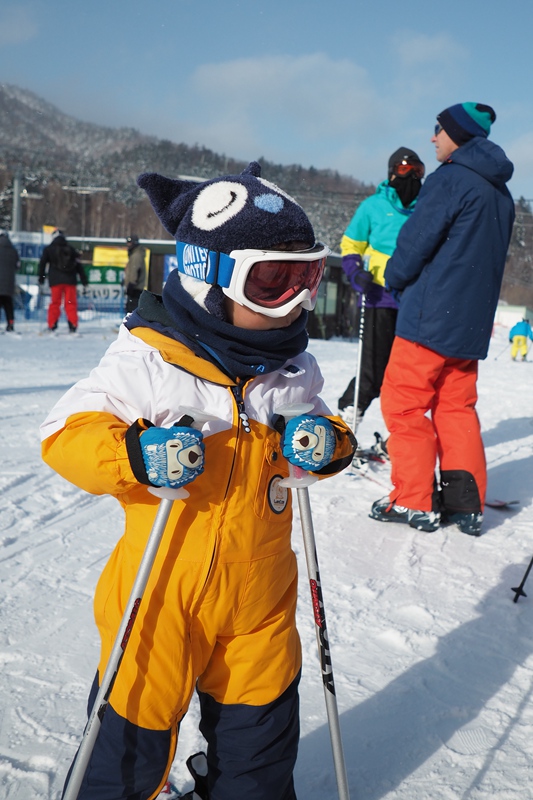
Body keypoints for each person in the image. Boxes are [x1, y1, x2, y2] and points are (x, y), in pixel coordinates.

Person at [40, 162, 356, 800]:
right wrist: (136, 454)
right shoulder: (149, 360)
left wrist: (326, 444)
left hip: (261, 603)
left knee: (260, 753)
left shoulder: (292, 371)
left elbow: (328, 431)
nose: (295, 301)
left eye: (307, 279)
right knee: (127, 750)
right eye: (274, 281)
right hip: (158, 600)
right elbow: (63, 433)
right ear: (209, 278)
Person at [369, 102, 515, 537]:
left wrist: (393, 278)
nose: (433, 137)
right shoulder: (500, 192)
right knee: (456, 407)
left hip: (430, 318)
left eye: (439, 129)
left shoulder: (450, 179)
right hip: (469, 323)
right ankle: (464, 504)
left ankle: (413, 500)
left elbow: (415, 242)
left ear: (459, 135)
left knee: (404, 403)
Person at [337, 148, 425, 433]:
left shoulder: (427, 209)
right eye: (404, 170)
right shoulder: (373, 206)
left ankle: (399, 435)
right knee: (374, 369)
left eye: (417, 171)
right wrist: (355, 272)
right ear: (391, 174)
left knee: (408, 373)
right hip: (379, 295)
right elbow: (351, 245)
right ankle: (349, 417)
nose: (411, 176)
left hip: (415, 300)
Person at [38, 229, 88, 332]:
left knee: (55, 303)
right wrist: (84, 280)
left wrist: (41, 278)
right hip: (70, 280)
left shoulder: (49, 249)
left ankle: (52, 324)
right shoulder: (71, 249)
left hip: (55, 281)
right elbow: (79, 266)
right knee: (70, 303)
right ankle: (73, 324)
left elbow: (42, 264)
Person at [0, 230, 20, 332]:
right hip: (9, 284)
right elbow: (17, 266)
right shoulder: (13, 251)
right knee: (8, 305)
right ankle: (10, 323)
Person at [123, 234, 147, 312]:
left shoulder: (136, 255)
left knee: (131, 311)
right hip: (135, 288)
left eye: (130, 242)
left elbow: (135, 271)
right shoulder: (135, 254)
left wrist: (131, 284)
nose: (128, 244)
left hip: (135, 289)